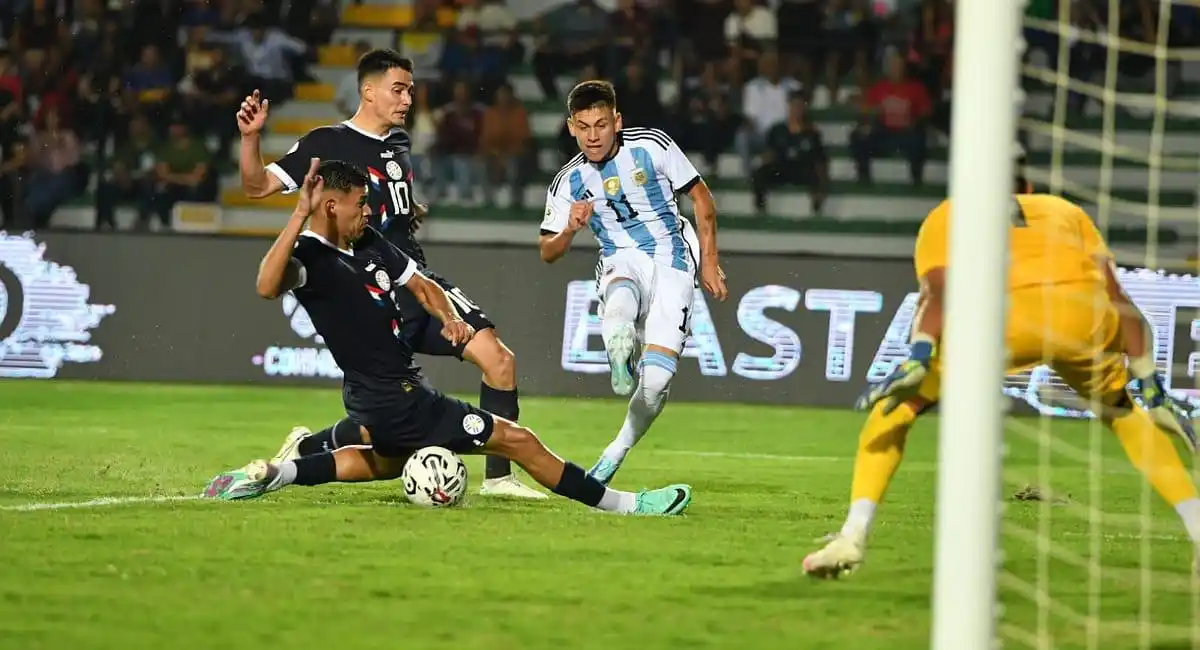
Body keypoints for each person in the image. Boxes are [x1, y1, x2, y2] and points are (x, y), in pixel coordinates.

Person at [201, 158, 692, 518]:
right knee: (518, 440)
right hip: (398, 398)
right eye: (358, 206)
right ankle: (628, 506)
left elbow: (421, 284)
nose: (368, 213)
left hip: (379, 395)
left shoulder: (368, 242)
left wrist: (450, 316)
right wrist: (296, 215)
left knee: (385, 464)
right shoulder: (310, 258)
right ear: (330, 204)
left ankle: (273, 474)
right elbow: (267, 285)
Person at [803, 156, 1200, 579]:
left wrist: (920, 353)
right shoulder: (1066, 211)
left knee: (894, 411)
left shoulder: (949, 214)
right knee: (1124, 414)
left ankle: (852, 536)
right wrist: (1149, 381)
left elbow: (937, 291)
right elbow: (1118, 296)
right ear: (1026, 186)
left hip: (1001, 319)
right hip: (1083, 316)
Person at [234, 48, 542, 499]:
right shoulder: (327, 142)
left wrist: (405, 210)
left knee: (499, 360)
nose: (407, 100)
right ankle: (308, 446)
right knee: (382, 424)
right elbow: (256, 186)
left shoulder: (399, 143)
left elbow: (387, 203)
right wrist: (250, 138)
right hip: (368, 292)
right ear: (368, 91)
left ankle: (499, 478)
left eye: (411, 91)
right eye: (398, 90)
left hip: (413, 279)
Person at [538, 80, 728, 487]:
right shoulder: (567, 182)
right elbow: (548, 251)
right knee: (621, 287)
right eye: (584, 126)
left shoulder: (652, 146)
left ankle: (616, 450)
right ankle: (619, 344)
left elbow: (703, 199)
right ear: (571, 127)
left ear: (617, 121)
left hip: (674, 260)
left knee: (656, 384)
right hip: (621, 256)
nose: (593, 136)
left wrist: (710, 263)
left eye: (601, 125)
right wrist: (570, 229)